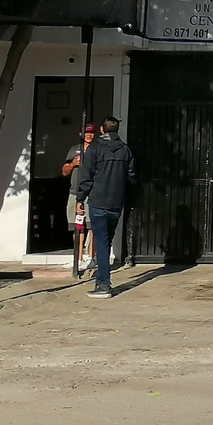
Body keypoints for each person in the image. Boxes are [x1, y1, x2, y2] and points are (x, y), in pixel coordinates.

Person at [71, 116, 135, 299]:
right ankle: (102, 280)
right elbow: (131, 177)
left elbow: (86, 176)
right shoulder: (125, 150)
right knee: (106, 241)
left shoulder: (95, 148)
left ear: (102, 129)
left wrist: (80, 199)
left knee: (101, 242)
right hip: (116, 203)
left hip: (98, 201)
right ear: (117, 129)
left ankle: (103, 284)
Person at [61, 123, 97, 250]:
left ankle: (91, 255)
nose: (89, 135)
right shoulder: (74, 149)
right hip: (75, 193)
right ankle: (78, 255)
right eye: (86, 132)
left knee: (92, 227)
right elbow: (64, 171)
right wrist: (73, 163)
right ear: (81, 134)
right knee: (76, 226)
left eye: (91, 132)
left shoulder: (98, 149)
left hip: (92, 193)